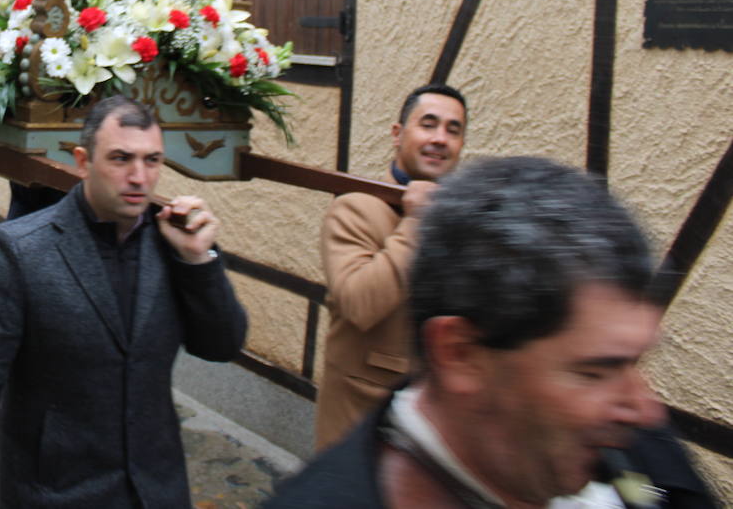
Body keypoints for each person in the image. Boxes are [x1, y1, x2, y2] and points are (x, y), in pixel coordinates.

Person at [266, 156, 716, 508]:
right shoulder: (358, 209)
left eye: (636, 361)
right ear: (460, 354)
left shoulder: (643, 449)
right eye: (595, 372)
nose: (645, 410)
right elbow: (359, 302)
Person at [0, 95, 248, 508]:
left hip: (156, 490)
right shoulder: (22, 250)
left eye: (152, 160)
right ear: (83, 161)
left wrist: (198, 261)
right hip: (55, 492)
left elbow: (221, 345)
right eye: (120, 159)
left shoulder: (175, 241)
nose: (139, 176)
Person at [315, 84, 467, 449]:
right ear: (398, 135)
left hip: (436, 428)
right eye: (428, 124)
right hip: (364, 425)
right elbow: (360, 304)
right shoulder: (355, 208)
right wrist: (416, 223)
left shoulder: (458, 219)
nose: (440, 139)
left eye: (453, 129)